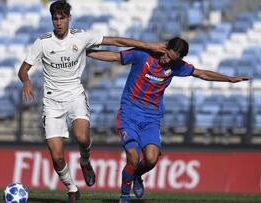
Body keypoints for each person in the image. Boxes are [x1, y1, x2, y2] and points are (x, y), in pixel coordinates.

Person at [17, 1, 165, 202]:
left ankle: (85, 161)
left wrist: (148, 46)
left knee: (83, 138)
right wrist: (26, 81)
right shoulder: (42, 42)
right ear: (52, 20)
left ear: (69, 18)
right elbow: (23, 69)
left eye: (62, 17)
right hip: (51, 102)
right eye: (55, 18)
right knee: (57, 156)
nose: (58, 22)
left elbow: (115, 41)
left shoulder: (81, 36)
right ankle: (72, 188)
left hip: (75, 95)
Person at [87, 37, 251, 203]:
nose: (166, 60)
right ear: (164, 48)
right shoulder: (143, 55)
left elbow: (201, 73)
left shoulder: (177, 67)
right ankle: (124, 197)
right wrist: (86, 52)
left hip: (152, 118)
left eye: (172, 59)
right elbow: (114, 56)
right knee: (133, 157)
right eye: (167, 55)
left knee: (151, 159)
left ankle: (137, 175)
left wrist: (229, 79)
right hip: (129, 113)